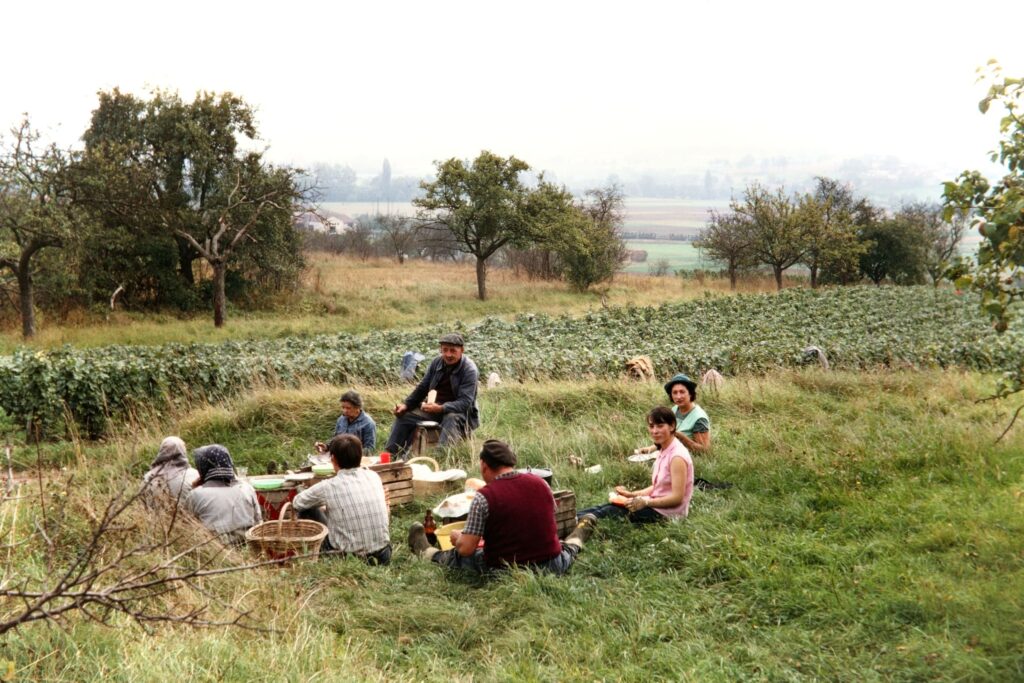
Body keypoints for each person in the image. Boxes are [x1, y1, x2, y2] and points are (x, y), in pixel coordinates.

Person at [408, 440, 597, 575]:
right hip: (553, 564)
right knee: (567, 552)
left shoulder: (484, 497)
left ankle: (427, 552)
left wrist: (459, 538)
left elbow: (466, 549)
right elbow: (545, 522)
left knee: (459, 557)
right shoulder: (541, 484)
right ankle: (579, 535)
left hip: (507, 569)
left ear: (483, 465)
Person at [581, 406, 694, 524]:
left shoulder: (677, 457)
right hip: (656, 505)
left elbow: (677, 497)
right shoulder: (664, 448)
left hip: (667, 514)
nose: (655, 431)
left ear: (671, 426)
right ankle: (567, 519)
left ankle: (572, 523)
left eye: (660, 426)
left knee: (607, 512)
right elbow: (660, 486)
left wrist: (645, 502)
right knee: (603, 507)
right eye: (651, 426)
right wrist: (632, 494)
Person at [292, 434, 392, 565]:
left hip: (348, 558)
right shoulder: (373, 476)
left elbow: (297, 502)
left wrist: (303, 491)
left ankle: (310, 554)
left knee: (307, 508)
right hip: (383, 556)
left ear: (333, 459)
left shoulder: (329, 486)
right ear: (360, 457)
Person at [384, 333, 480, 458]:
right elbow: (423, 387)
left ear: (462, 350)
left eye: (453, 351)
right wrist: (406, 404)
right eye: (445, 350)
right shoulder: (437, 363)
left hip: (460, 413)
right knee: (404, 416)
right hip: (434, 408)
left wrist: (441, 408)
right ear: (441, 349)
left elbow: (465, 402)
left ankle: (441, 458)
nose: (448, 354)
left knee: (451, 418)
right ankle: (391, 455)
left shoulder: (469, 370)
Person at [184, 445, 262, 545]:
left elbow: (188, 528)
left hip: (215, 551)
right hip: (248, 546)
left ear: (203, 467)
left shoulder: (195, 495)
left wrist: (195, 488)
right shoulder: (246, 488)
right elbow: (258, 522)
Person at [635, 373, 711, 456]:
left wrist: (682, 438)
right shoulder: (675, 409)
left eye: (682, 392)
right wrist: (650, 449)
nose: (678, 397)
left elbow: (704, 451)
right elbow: (669, 437)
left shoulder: (699, 418)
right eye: (675, 393)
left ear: (690, 393)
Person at [142, 436, 199, 509]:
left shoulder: (148, 477)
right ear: (183, 451)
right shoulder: (194, 475)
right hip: (186, 519)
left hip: (152, 519)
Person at [315, 390, 376, 454]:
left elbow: (369, 449)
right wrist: (326, 447)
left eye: (348, 408)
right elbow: (336, 440)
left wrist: (351, 454)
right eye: (343, 407)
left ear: (357, 407)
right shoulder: (341, 419)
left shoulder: (368, 423)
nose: (345, 411)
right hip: (339, 459)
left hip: (356, 460)